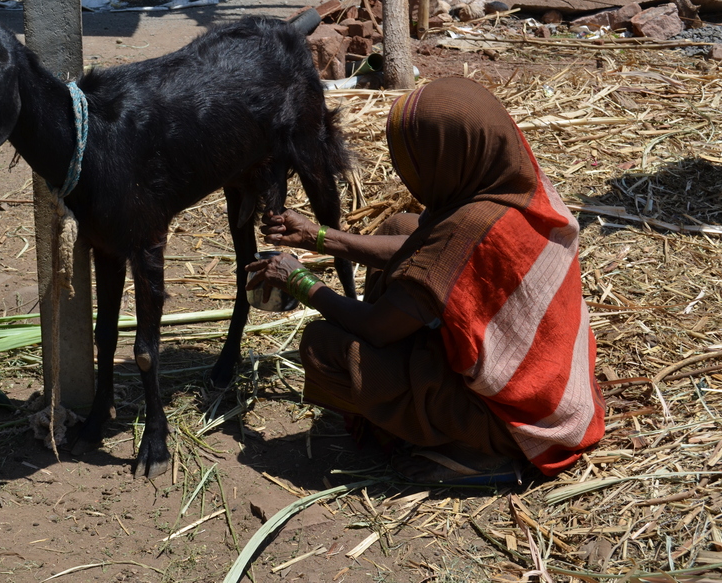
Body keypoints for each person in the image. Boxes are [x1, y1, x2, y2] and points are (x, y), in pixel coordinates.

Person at [245, 77, 605, 484]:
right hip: (556, 386)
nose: (406, 173)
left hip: (518, 420)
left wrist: (300, 282)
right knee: (403, 225)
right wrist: (319, 237)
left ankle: (476, 455)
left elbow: (377, 329)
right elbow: (422, 249)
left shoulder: (465, 232)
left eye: (414, 160)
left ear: (448, 156)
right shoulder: (514, 184)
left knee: (324, 345)